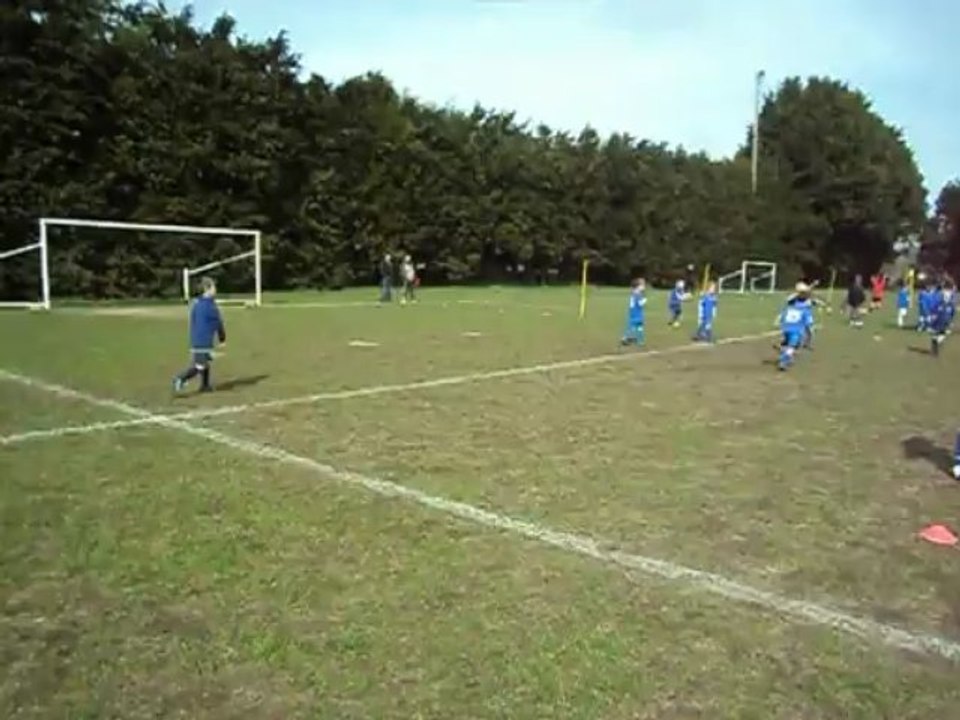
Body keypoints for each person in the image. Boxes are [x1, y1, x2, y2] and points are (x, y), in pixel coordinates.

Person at [173, 276, 225, 394]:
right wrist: (222, 338)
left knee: (205, 363)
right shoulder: (211, 306)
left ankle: (205, 386)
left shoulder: (197, 304)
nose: (215, 290)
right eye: (214, 287)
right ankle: (181, 378)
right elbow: (218, 323)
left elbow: (193, 320)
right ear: (207, 289)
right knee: (199, 366)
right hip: (203, 341)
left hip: (196, 339)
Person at [776, 283, 815, 371]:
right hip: (796, 332)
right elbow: (809, 327)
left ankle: (785, 353)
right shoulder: (806, 311)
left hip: (786, 329)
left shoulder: (789, 307)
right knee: (792, 347)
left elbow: (781, 318)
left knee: (787, 344)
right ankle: (783, 362)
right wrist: (809, 340)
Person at [930, 285, 956, 356]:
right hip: (938, 321)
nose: (946, 297)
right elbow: (933, 310)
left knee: (943, 334)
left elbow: (952, 313)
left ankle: (936, 342)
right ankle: (934, 350)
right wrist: (933, 316)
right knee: (937, 333)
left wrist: (951, 321)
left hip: (946, 322)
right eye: (945, 296)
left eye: (948, 296)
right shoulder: (939, 303)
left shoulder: (951, 305)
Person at [621, 278, 647, 346]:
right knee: (637, 326)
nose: (644, 287)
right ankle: (630, 339)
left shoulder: (634, 293)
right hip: (637, 313)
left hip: (633, 313)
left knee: (635, 326)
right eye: (643, 285)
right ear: (639, 286)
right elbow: (640, 304)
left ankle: (638, 340)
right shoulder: (637, 294)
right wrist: (645, 300)